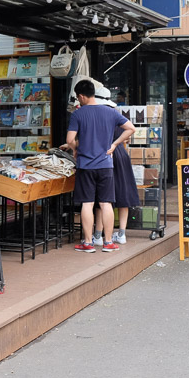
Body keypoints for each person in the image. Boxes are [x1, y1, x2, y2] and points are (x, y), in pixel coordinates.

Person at [65, 80, 135, 253]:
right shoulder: (110, 112)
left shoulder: (78, 114)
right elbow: (130, 128)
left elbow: (69, 140)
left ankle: (88, 243)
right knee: (106, 204)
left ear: (81, 96)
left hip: (85, 166)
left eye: (77, 97)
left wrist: (75, 149)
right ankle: (108, 242)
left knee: (87, 204)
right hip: (105, 165)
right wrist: (114, 145)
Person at [89, 89, 138, 246]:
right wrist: (117, 143)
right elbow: (128, 134)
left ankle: (97, 235)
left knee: (102, 196)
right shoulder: (116, 114)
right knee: (123, 192)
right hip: (121, 154)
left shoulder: (95, 116)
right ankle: (122, 234)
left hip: (104, 154)